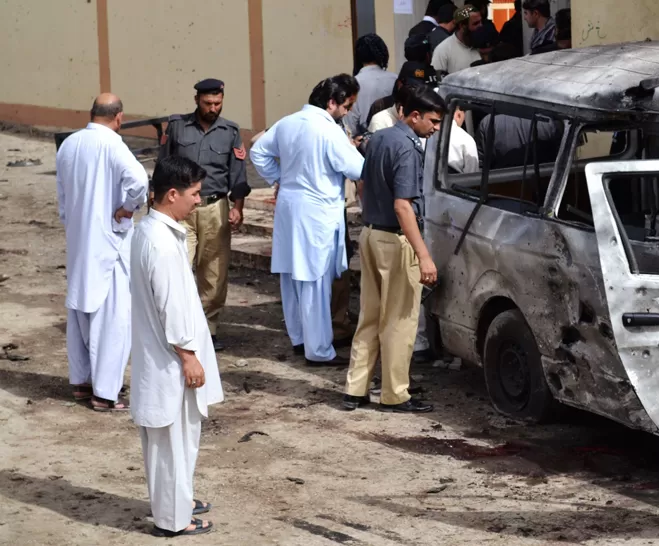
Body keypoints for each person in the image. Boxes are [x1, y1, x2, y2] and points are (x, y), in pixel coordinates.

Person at [131, 155, 223, 538]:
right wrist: (189, 357)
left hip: (161, 357)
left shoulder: (149, 231)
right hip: (171, 361)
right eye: (195, 194)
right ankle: (173, 519)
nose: (199, 201)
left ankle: (177, 501)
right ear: (172, 194)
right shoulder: (163, 245)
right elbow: (171, 308)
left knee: (175, 441)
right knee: (173, 441)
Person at [342, 85, 447, 413]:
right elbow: (404, 207)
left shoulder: (380, 137)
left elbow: (362, 184)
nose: (436, 128)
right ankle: (395, 394)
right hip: (395, 240)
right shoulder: (406, 148)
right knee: (400, 320)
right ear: (414, 116)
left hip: (371, 234)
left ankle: (355, 389)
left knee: (370, 316)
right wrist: (424, 255)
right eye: (432, 121)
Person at [250, 76, 365, 366]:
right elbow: (356, 167)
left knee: (292, 276)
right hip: (317, 212)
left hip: (290, 205)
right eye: (347, 105)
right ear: (331, 103)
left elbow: (258, 151)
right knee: (315, 280)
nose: (348, 112)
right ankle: (319, 350)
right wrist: (353, 146)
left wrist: (279, 178)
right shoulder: (329, 130)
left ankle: (300, 339)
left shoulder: (288, 122)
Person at [56, 93, 149, 412]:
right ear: (119, 118)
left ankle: (82, 382)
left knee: (80, 311)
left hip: (80, 241)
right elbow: (139, 180)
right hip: (110, 243)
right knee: (113, 319)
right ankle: (106, 393)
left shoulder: (69, 144)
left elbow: (63, 199)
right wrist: (127, 208)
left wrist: (74, 226)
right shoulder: (113, 145)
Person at [157, 78, 251, 352]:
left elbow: (238, 173)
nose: (213, 108)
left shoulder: (230, 131)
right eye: (208, 103)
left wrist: (238, 207)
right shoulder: (176, 127)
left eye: (218, 103)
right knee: (177, 268)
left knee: (214, 273)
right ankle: (177, 329)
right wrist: (159, 202)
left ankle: (207, 329)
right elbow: (163, 165)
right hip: (180, 210)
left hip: (215, 208)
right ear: (197, 99)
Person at [346, 34, 397, 138]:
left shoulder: (353, 83)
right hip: (394, 137)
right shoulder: (396, 79)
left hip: (365, 141)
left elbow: (349, 125)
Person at [368, 62, 440, 133]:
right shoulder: (381, 115)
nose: (417, 93)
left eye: (421, 89)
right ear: (400, 84)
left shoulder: (424, 116)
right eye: (413, 88)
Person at [431, 5, 483, 77]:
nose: (480, 26)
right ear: (462, 26)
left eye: (481, 22)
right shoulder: (443, 51)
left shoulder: (483, 45)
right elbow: (439, 82)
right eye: (476, 23)